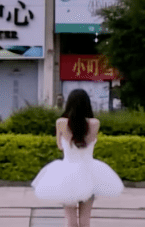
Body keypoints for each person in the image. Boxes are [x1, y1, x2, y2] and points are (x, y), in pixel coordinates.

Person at [31, 89, 124, 227]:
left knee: (70, 220)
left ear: (69, 104)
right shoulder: (95, 123)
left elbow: (60, 146)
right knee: (85, 221)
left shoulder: (61, 123)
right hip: (90, 173)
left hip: (67, 174)